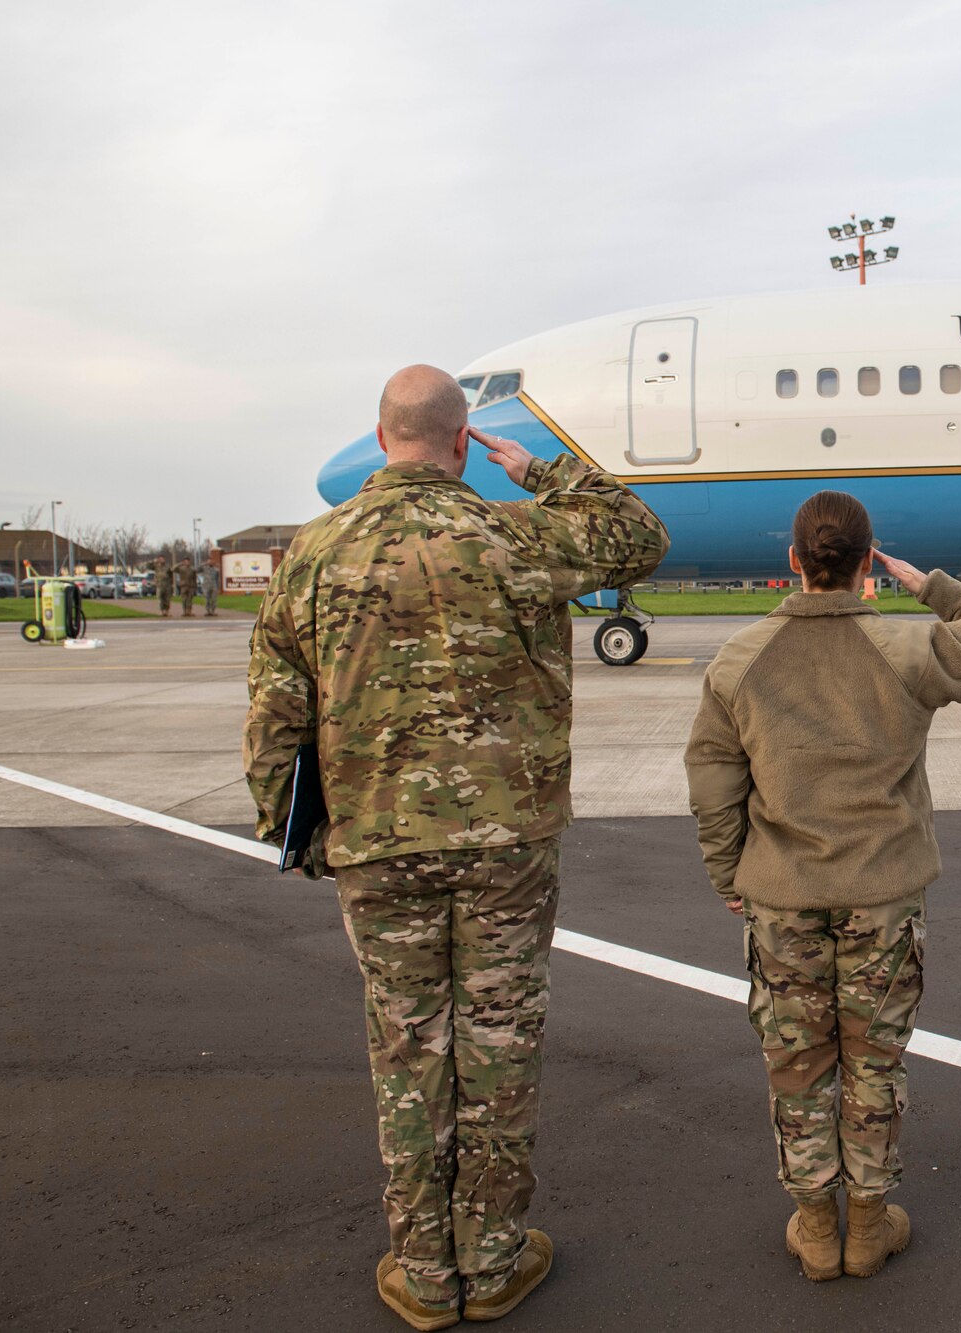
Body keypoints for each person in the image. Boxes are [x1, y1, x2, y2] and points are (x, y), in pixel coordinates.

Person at [244, 364, 668, 1329]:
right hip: (506, 842)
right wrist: (546, 471)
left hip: (376, 840)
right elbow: (640, 537)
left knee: (407, 1044)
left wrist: (292, 830)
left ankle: (426, 1273)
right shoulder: (516, 531)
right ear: (465, 439)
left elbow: (275, 709)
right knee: (499, 1039)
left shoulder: (313, 552)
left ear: (381, 433)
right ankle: (492, 1251)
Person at [684, 491, 961, 1282]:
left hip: (782, 893)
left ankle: (816, 1224)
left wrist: (727, 865)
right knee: (875, 1061)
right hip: (883, 894)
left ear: (795, 563)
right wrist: (931, 583)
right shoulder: (907, 651)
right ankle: (869, 1223)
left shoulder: (740, 658)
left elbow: (710, 773)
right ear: (868, 564)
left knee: (797, 1063)